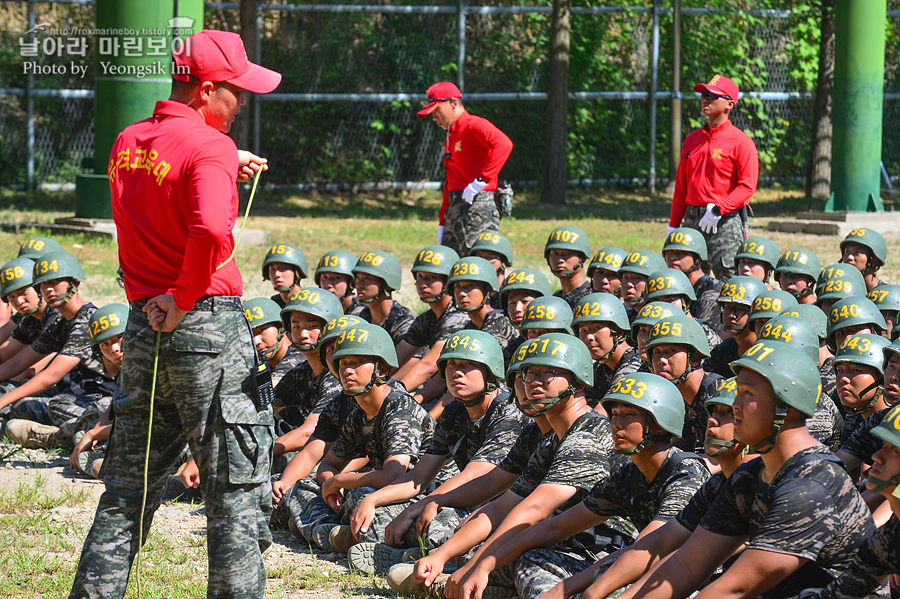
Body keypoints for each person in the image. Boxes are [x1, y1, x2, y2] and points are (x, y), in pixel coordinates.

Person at [68, 29, 282, 599]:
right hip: (204, 323)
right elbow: (210, 228)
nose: (243, 106)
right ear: (207, 90)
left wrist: (219, 160)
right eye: (237, 93)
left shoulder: (127, 139)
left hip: (144, 326)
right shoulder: (208, 148)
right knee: (233, 495)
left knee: (127, 490)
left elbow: (159, 180)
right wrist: (186, 296)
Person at [627, 339, 875, 599]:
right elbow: (686, 565)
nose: (735, 404)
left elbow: (735, 589)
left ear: (786, 406)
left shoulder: (812, 484)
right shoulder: (752, 474)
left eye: (748, 393)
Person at [345, 330, 526, 574]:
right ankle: (408, 553)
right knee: (377, 507)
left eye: (468, 364)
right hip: (461, 499)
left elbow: (476, 476)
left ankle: (427, 560)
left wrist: (423, 506)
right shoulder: (452, 412)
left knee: (440, 519)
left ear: (490, 371)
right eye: (451, 364)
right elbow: (418, 478)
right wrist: (372, 500)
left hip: (502, 508)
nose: (457, 372)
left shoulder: (508, 411)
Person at [668, 74, 758, 282]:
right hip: (692, 217)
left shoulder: (741, 142)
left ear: (729, 104)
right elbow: (682, 187)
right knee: (686, 279)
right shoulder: (692, 140)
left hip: (725, 221)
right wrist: (673, 225)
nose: (705, 99)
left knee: (729, 280)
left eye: (712, 95)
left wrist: (718, 209)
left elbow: (747, 187)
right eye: (704, 94)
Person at [5, 303, 125, 449]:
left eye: (119, 338)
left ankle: (58, 438)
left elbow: (47, 376)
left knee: (104, 406)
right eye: (105, 344)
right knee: (53, 404)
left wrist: (92, 434)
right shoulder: (51, 322)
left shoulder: (145, 358)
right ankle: (87, 436)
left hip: (133, 422)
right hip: (104, 413)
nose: (114, 348)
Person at [418, 81, 513, 256]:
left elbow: (504, 144)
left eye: (436, 111)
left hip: (477, 208)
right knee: (450, 271)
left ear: (453, 103)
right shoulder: (451, 135)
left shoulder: (473, 125)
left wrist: (481, 181)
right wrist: (442, 221)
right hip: (455, 209)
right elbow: (451, 180)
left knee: (479, 269)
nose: (434, 118)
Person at [661, 228, 721, 329]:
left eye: (682, 252)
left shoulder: (711, 288)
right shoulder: (665, 285)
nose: (674, 257)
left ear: (698, 257)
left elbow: (707, 332)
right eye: (670, 251)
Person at [545, 225, 593, 308]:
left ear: (583, 258)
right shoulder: (555, 298)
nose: (560, 260)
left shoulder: (591, 298)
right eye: (555, 254)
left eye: (567, 254)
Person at [314, 250, 365, 315]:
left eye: (336, 278)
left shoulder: (362, 312)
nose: (328, 284)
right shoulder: (317, 308)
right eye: (325, 277)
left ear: (351, 282)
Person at [839, 227, 887, 292]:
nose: (849, 257)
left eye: (857, 252)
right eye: (847, 251)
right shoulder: (841, 291)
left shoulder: (885, 297)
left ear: (874, 261)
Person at [261, 242, 308, 308]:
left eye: (283, 268)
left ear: (298, 273)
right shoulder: (274, 304)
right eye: (272, 269)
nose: (277, 274)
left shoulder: (308, 303)